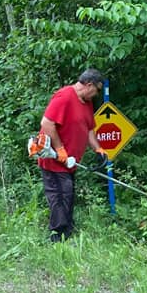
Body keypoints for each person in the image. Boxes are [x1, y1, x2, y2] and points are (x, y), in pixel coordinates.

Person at [37, 68, 108, 241]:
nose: (96, 95)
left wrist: (98, 149)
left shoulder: (86, 102)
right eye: (97, 91)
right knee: (60, 196)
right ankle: (57, 236)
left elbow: (89, 128)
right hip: (54, 160)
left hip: (70, 162)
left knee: (68, 195)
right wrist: (60, 149)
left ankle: (67, 233)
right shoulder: (64, 96)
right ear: (89, 85)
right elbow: (46, 123)